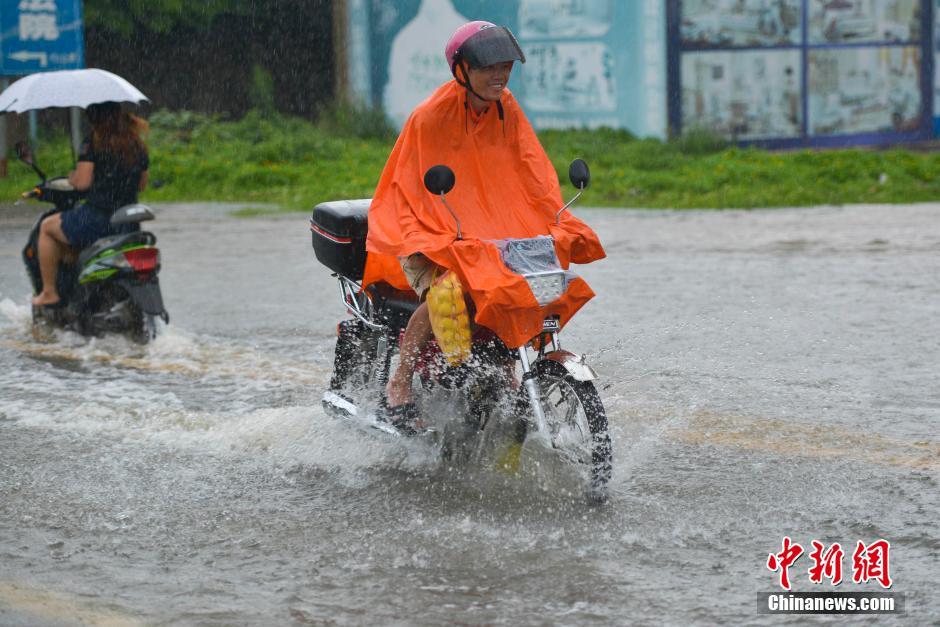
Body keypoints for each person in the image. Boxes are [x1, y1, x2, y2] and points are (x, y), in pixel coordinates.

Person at [363, 21, 605, 429]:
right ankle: (399, 385)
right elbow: (415, 190)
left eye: (506, 66)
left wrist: (555, 219)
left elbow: (533, 171)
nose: (500, 76)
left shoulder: (505, 107)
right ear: (462, 70)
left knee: (529, 282)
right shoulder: (429, 117)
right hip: (426, 229)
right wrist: (452, 238)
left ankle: (503, 371)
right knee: (449, 289)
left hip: (489, 231)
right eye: (489, 68)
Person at [31, 101, 149, 307]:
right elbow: (142, 184)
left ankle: (49, 292)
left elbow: (83, 183)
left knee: (47, 227)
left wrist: (74, 176)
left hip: (97, 217)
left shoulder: (93, 143)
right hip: (125, 222)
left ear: (94, 119)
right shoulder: (136, 143)